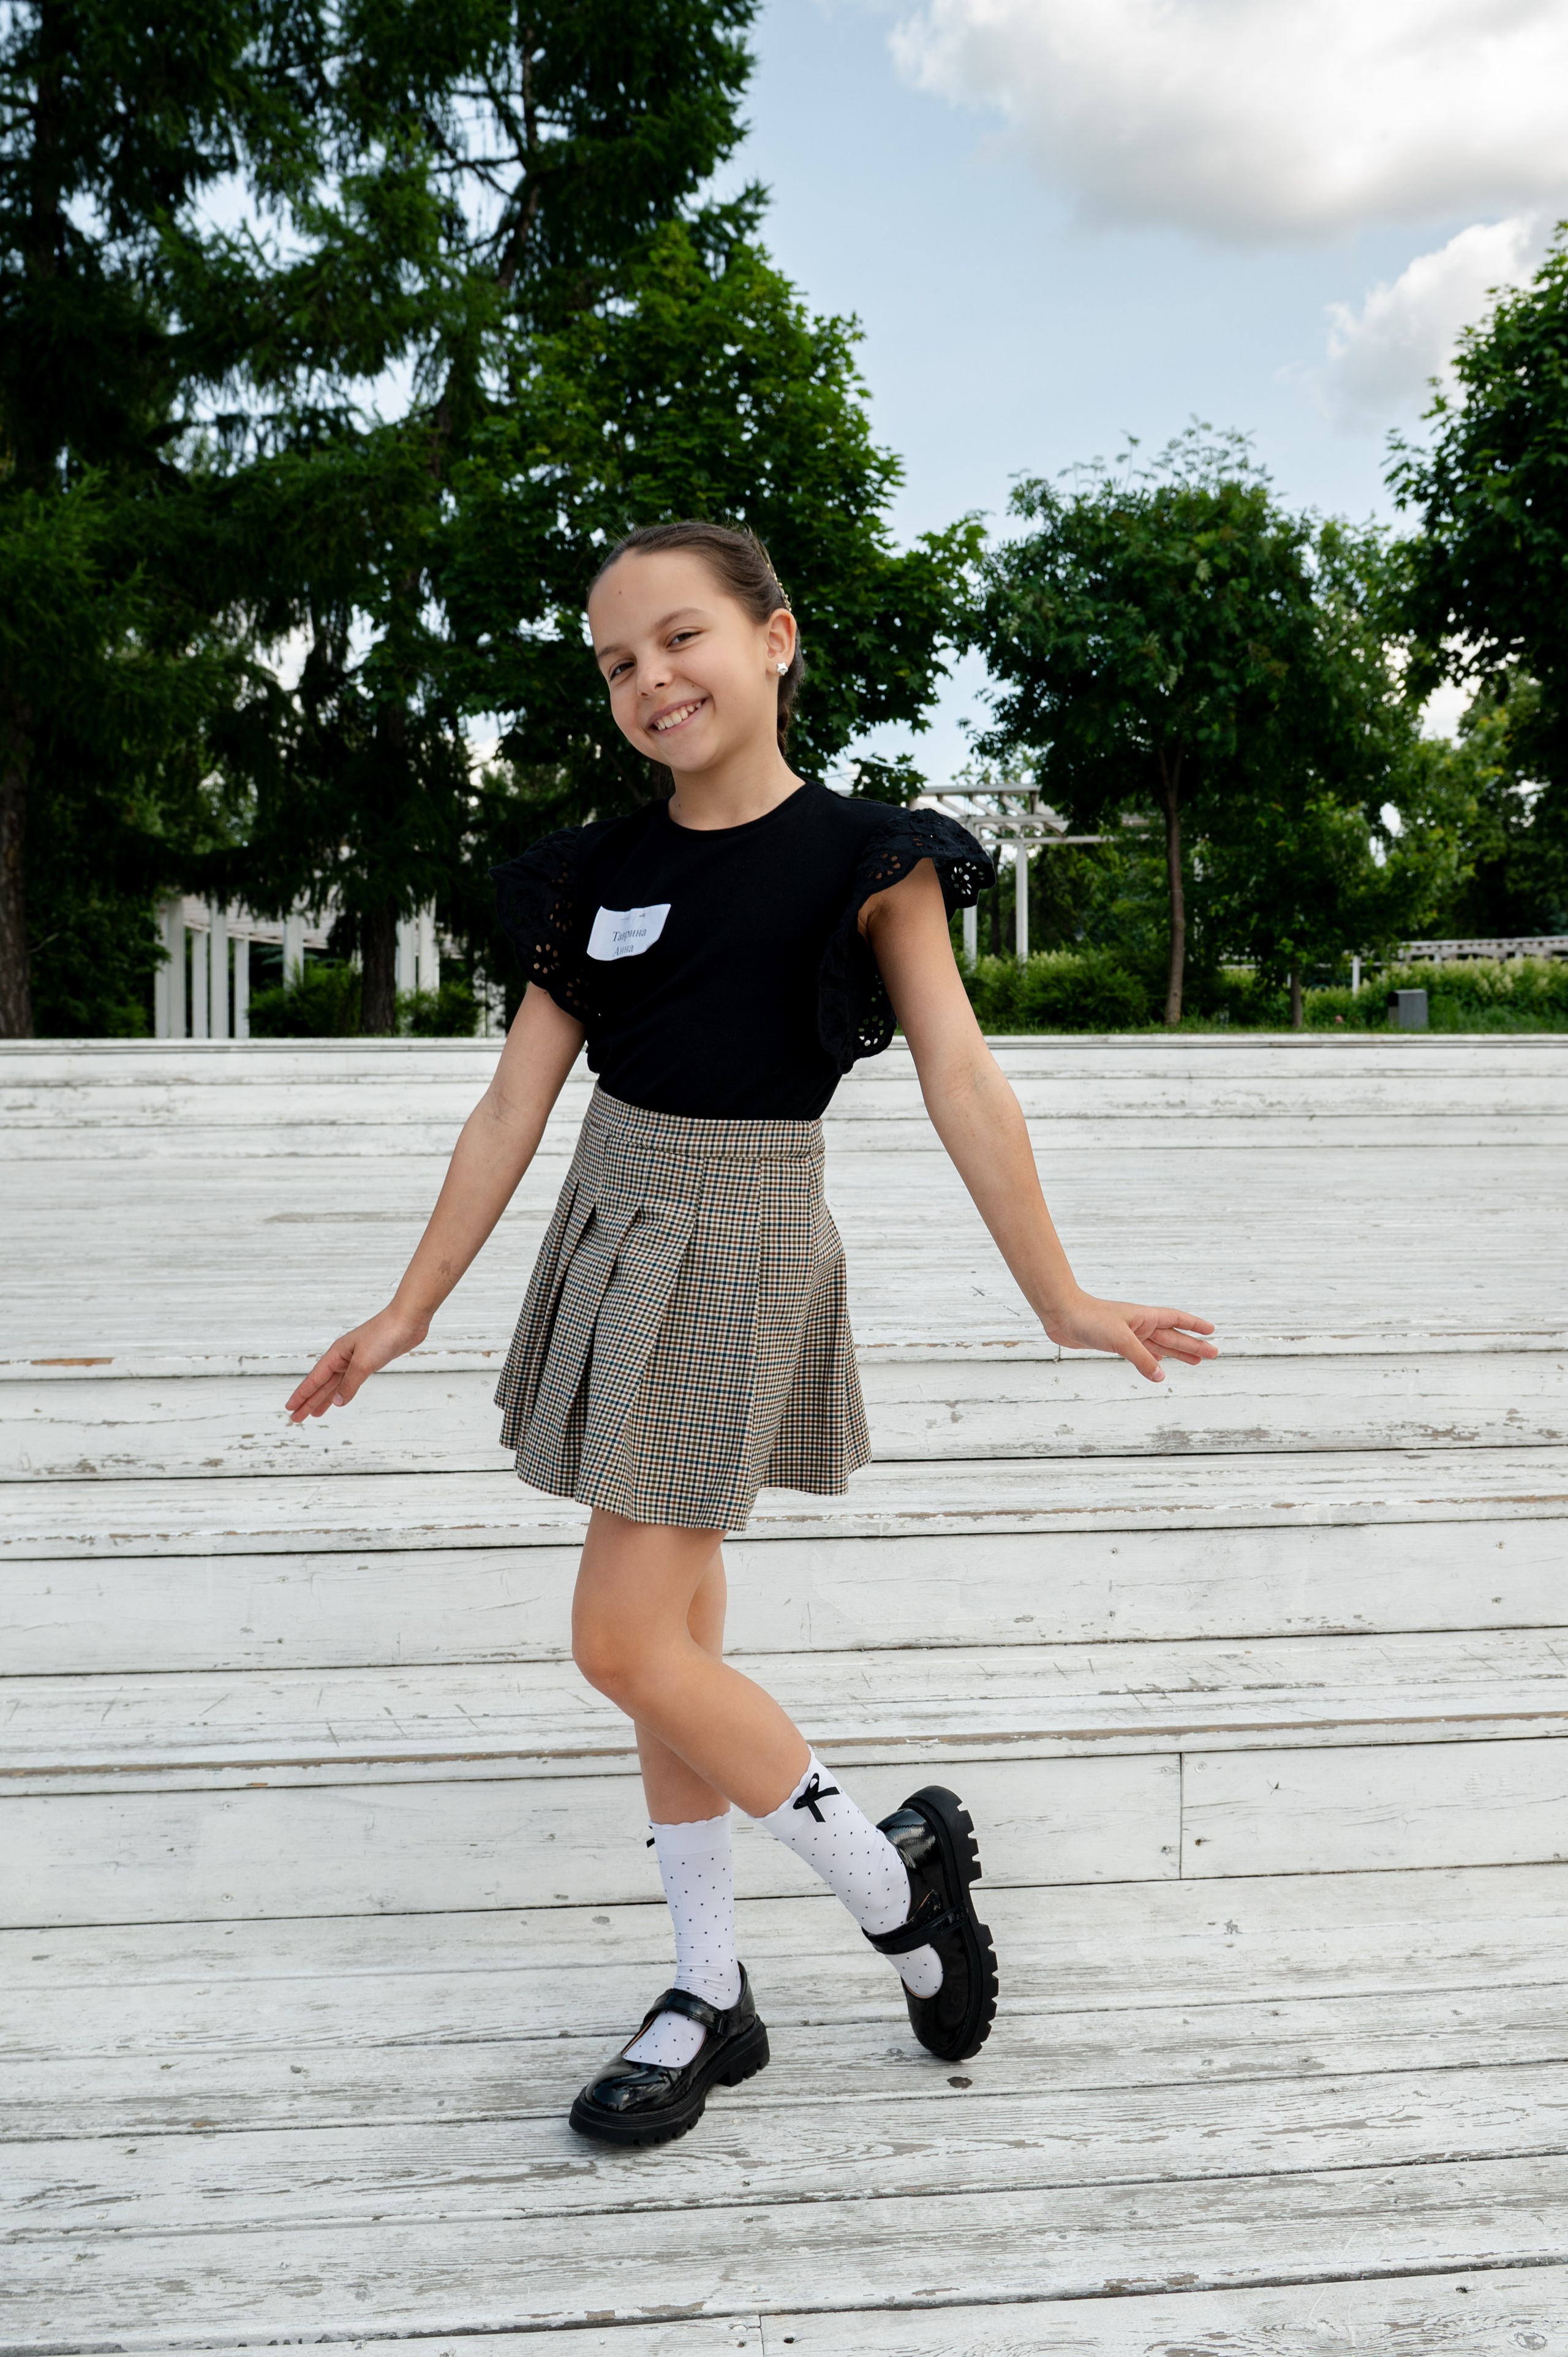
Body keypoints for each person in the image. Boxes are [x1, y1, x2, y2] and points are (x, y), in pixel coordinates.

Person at [285, 519, 1217, 2149]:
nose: (651, 679)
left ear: (775, 639)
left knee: (621, 1644)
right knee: (677, 1646)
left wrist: (1060, 1296)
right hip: (610, 1230)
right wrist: (409, 1307)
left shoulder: (868, 858)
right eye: (617, 662)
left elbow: (962, 1075)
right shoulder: (595, 872)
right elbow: (513, 1104)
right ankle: (709, 1987)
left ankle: (894, 1882)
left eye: (682, 638)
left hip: (739, 1244)